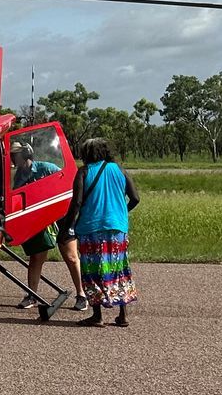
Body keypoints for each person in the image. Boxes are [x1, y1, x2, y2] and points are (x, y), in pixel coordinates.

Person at [63, 138, 140, 326]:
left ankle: (97, 315)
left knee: (92, 270)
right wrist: (119, 214)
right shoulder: (119, 169)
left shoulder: (84, 172)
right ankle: (123, 314)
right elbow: (135, 198)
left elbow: (77, 203)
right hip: (117, 230)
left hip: (91, 229)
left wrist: (67, 226)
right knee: (119, 269)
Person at [9, 139, 84, 311]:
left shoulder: (47, 168)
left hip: (62, 217)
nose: (13, 159)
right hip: (40, 220)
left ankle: (82, 295)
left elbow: (67, 184)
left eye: (15, 155)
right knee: (36, 258)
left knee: (71, 257)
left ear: (24, 154)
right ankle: (32, 295)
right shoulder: (19, 176)